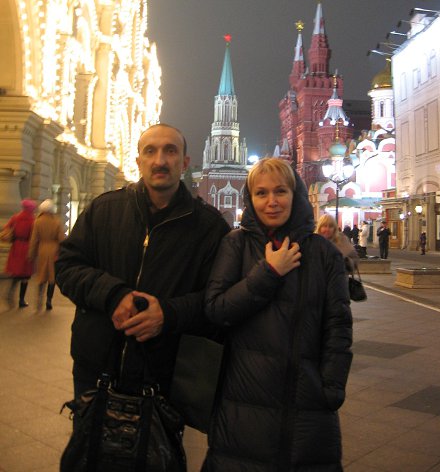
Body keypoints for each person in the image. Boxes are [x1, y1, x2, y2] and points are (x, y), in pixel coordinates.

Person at [55, 123, 230, 405]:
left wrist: (168, 315)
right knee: (91, 433)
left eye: (170, 151)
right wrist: (113, 296)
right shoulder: (104, 210)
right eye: (150, 151)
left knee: (157, 436)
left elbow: (216, 300)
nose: (160, 161)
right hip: (96, 368)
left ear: (185, 162)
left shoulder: (209, 227)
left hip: (164, 376)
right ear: (138, 162)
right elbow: (67, 267)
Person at [202, 158, 353, 472]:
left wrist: (330, 388)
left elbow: (338, 326)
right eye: (261, 193)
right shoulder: (236, 245)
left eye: (280, 191)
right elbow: (216, 310)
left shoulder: (323, 253)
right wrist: (268, 273)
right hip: (243, 399)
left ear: (295, 195)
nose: (271, 201)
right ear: (250, 199)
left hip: (307, 403)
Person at [28, 199, 65, 311]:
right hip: (54, 250)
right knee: (52, 278)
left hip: (42, 250)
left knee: (41, 276)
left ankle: (39, 299)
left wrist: (31, 254)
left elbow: (34, 239)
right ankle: (49, 300)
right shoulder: (57, 221)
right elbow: (62, 239)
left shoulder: (37, 222)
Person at [3, 199, 36, 308]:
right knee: (25, 275)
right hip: (27, 247)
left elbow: (6, 228)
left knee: (16, 272)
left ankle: (10, 292)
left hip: (16, 246)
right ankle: (21, 300)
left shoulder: (15, 217)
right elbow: (34, 235)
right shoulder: (32, 220)